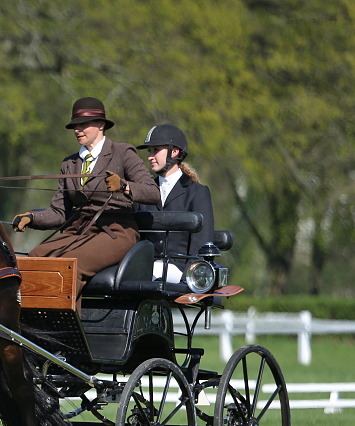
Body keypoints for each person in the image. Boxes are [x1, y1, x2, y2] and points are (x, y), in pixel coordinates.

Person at [12, 97, 160, 310]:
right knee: (36, 257)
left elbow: (153, 193)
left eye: (83, 125)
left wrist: (124, 186)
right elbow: (59, 212)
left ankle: (67, 333)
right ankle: (35, 323)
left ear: (101, 125)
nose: (77, 130)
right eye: (75, 126)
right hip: (78, 231)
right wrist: (32, 218)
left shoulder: (122, 153)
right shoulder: (69, 164)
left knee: (72, 263)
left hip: (116, 232)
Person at [136, 124, 214, 283]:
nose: (150, 156)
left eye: (155, 150)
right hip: (148, 266)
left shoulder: (198, 193)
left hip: (180, 269)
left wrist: (189, 278)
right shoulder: (144, 191)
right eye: (149, 151)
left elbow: (201, 243)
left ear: (175, 152)